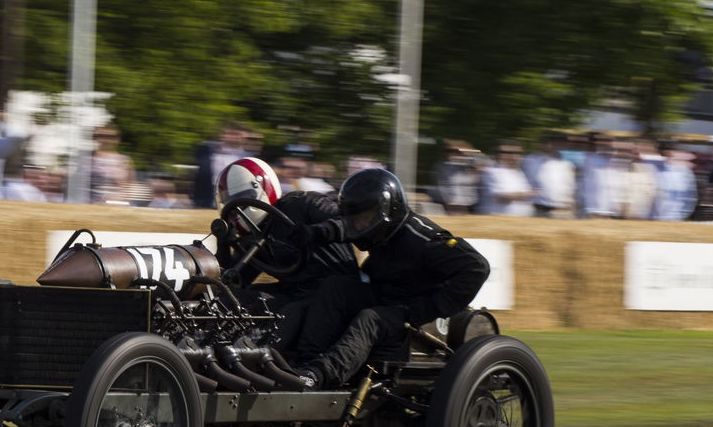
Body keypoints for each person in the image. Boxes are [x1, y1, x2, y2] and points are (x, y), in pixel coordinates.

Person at [283, 168, 489, 390]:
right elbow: (347, 226)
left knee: (371, 318)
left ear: (387, 211)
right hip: (385, 297)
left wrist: (426, 309)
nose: (358, 226)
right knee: (336, 286)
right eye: (354, 220)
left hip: (410, 312)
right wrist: (317, 232)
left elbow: (477, 267)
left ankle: (320, 375)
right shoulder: (380, 228)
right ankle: (306, 362)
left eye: (364, 219)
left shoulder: (422, 237)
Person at [212, 157, 361, 360]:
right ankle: (214, 350)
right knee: (235, 301)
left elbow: (351, 224)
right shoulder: (253, 236)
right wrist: (223, 244)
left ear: (262, 188)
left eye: (244, 198)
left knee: (290, 312)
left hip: (336, 294)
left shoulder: (303, 204)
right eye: (231, 203)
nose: (237, 210)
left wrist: (316, 232)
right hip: (296, 293)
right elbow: (234, 281)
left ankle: (265, 362)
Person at [191, 121, 255, 209]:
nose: (236, 137)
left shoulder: (248, 158)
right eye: (232, 134)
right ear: (223, 135)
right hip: (208, 201)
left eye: (239, 134)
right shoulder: (208, 153)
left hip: (236, 202)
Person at [477, 142, 536, 216]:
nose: (515, 156)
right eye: (510, 153)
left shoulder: (519, 172)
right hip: (498, 218)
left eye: (518, 153)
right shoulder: (491, 172)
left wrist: (527, 195)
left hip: (519, 219)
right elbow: (501, 197)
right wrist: (527, 194)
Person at [87, 125, 136, 204]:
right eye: (101, 136)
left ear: (117, 139)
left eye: (110, 137)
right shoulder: (87, 159)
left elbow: (130, 190)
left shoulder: (125, 161)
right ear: (96, 138)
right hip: (88, 206)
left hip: (114, 206)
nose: (106, 140)